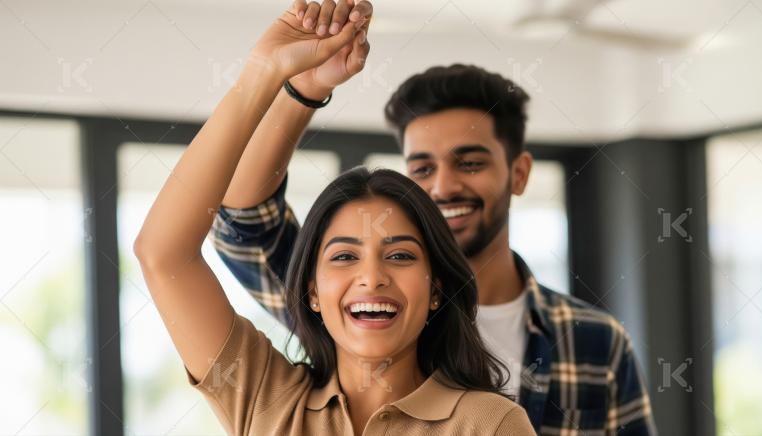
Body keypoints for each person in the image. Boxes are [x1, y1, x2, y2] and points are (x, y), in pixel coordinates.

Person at [212, 0, 657, 434]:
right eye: (422, 168)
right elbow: (242, 219)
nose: (443, 187)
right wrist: (304, 90)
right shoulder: (357, 304)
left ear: (519, 174)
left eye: (470, 163)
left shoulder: (595, 341)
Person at [133, 3, 536, 435]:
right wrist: (263, 73)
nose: (372, 276)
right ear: (311, 291)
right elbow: (163, 254)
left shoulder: (489, 424)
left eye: (400, 255)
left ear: (436, 288)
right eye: (344, 257)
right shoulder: (264, 397)